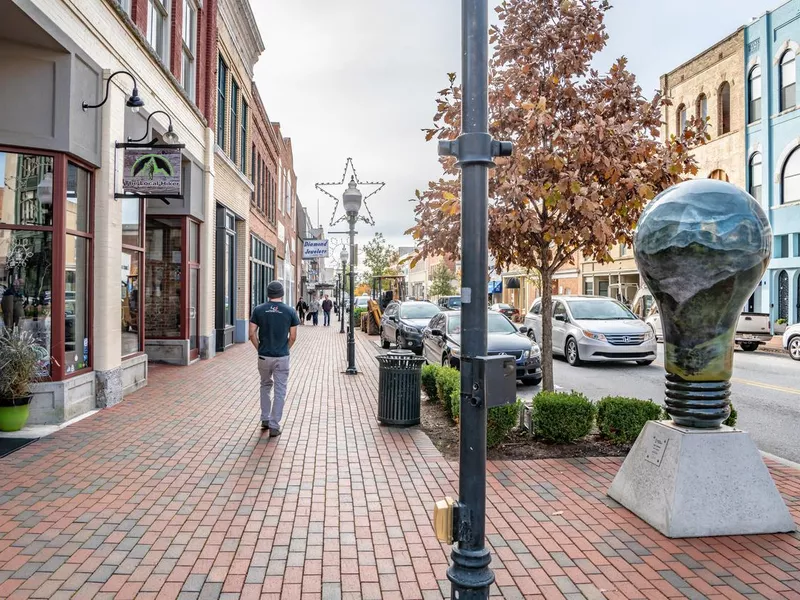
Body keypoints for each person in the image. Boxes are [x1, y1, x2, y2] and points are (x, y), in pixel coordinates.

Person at [249, 281, 300, 437]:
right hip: (281, 356)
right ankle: (274, 425)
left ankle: (265, 419)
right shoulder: (290, 311)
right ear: (282, 293)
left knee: (265, 385)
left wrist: (260, 349)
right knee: (280, 390)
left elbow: (251, 333)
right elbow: (292, 337)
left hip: (264, 356)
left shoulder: (258, 310)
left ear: (268, 294)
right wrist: (285, 349)